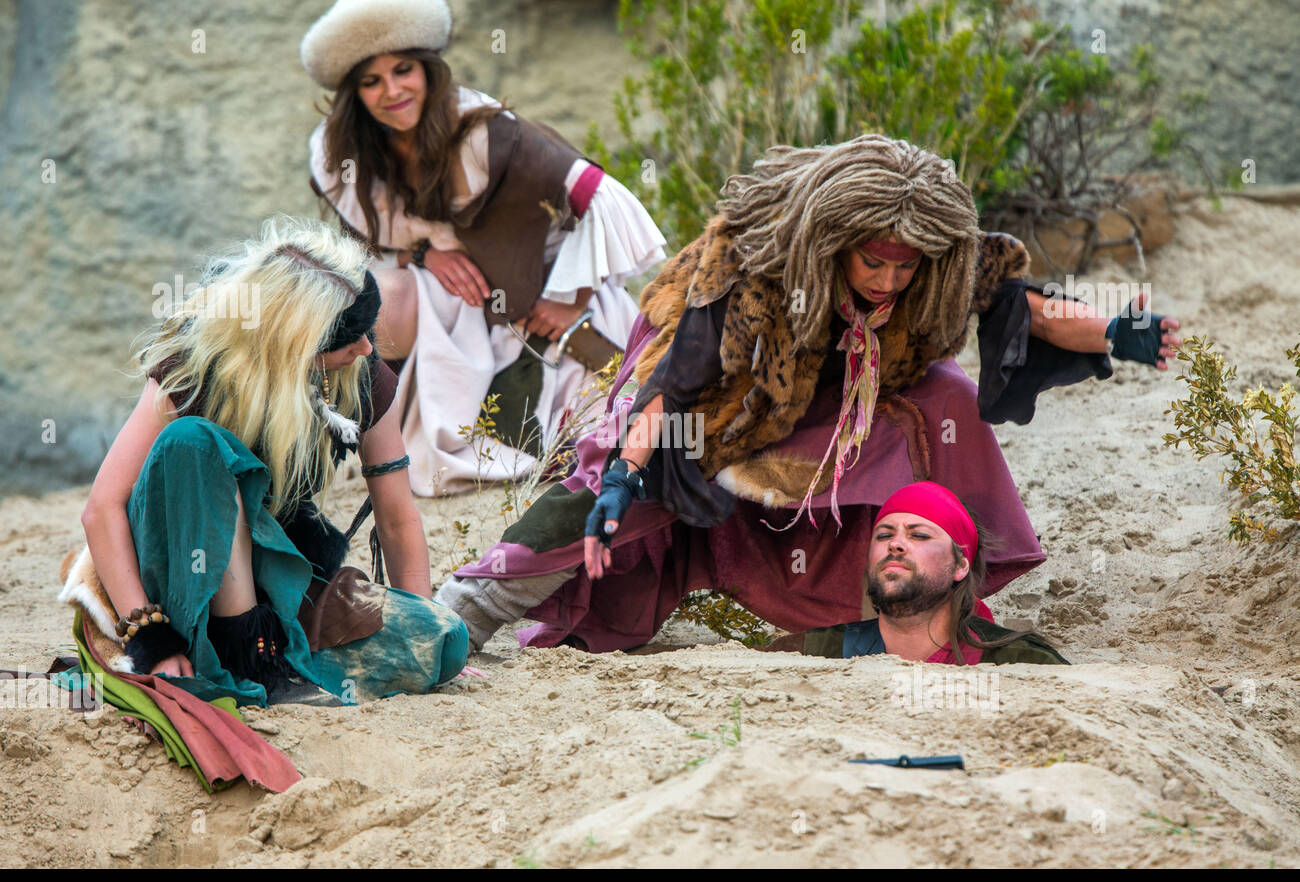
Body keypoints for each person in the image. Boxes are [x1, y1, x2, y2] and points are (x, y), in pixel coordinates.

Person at [436, 134, 1181, 654]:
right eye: (872, 262)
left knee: (944, 396)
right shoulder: (753, 269)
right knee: (632, 478)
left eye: (907, 267)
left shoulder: (946, 262)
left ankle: (917, 612)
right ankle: (471, 608)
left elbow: (1027, 306)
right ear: (833, 242)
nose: (889, 282)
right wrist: (622, 478)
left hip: (841, 400)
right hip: (728, 391)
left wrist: (1119, 331)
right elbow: (673, 386)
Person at [77, 216, 468, 707]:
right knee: (195, 441)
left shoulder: (359, 372)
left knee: (446, 640)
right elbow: (102, 508)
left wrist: (424, 618)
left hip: (277, 578)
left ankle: (273, 657)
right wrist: (149, 638)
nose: (368, 348)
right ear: (294, 344)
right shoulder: (196, 366)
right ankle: (248, 660)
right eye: (351, 340)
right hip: (179, 577)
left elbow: (396, 517)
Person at [301, 0, 666, 495]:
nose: (392, 91)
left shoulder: (481, 129)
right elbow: (385, 236)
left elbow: (598, 193)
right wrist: (428, 254)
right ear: (354, 94)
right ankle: (333, 438)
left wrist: (570, 297)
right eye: (371, 81)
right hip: (461, 300)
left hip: (552, 305)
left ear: (426, 70)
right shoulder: (342, 151)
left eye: (403, 70)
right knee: (364, 299)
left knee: (605, 430)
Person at [767, 482, 1068, 664]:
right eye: (883, 536)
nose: (896, 544)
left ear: (961, 565)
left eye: (919, 535)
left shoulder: (1021, 661)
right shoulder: (810, 652)